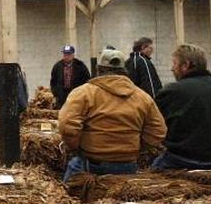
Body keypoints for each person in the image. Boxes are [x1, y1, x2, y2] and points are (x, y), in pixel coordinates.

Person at [58, 48, 167, 183]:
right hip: (128, 165)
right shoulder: (142, 97)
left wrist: (76, 148)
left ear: (98, 70)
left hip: (91, 165)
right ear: (125, 71)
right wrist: (137, 148)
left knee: (67, 197)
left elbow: (67, 127)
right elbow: (158, 131)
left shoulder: (83, 93)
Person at [152, 43, 211, 170]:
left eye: (175, 64)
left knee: (153, 169)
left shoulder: (172, 90)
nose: (172, 68)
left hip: (184, 159)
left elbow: (154, 124)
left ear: (186, 65)